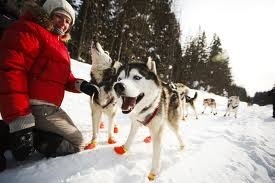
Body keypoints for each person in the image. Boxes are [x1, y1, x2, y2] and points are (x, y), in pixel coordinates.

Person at [0, 0, 99, 172]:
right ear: (47, 15)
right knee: (77, 143)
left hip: (48, 108)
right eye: (59, 17)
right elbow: (12, 72)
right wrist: (20, 121)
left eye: (68, 21)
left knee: (73, 139)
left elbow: (64, 77)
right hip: (33, 106)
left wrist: (82, 85)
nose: (64, 23)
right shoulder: (30, 30)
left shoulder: (58, 44)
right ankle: (25, 136)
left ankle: (11, 133)